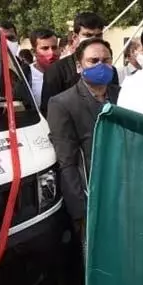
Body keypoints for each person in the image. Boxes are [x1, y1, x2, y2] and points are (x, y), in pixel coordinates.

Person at [47, 38, 119, 246]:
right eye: (93, 60)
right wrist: (80, 211)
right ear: (79, 66)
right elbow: (67, 161)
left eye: (106, 60)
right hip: (92, 196)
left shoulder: (122, 95)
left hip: (123, 192)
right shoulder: (62, 103)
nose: (101, 66)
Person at [41, 13, 117, 112]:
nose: (93, 39)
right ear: (75, 37)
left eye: (98, 35)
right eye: (88, 35)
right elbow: (48, 110)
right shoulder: (56, 71)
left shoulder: (110, 71)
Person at [28, 28, 60, 107]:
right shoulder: (25, 77)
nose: (51, 53)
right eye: (45, 48)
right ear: (34, 52)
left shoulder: (69, 73)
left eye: (54, 47)